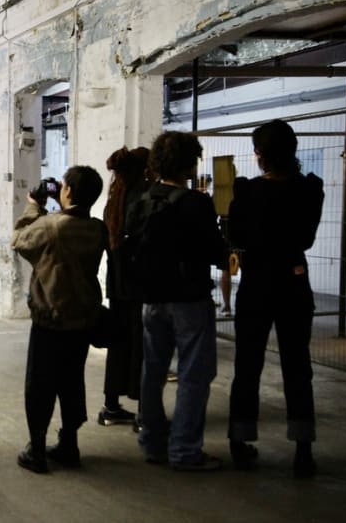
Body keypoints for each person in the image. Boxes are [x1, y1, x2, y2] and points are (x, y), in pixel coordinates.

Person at [227, 120, 324, 478]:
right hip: (293, 283)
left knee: (247, 366)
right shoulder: (310, 189)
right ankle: (303, 450)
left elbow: (235, 237)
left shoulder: (246, 191)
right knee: (298, 367)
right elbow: (306, 239)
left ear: (260, 154)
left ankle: (239, 443)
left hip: (255, 285)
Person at [133, 131, 228, 471]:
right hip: (189, 299)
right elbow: (216, 252)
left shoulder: (143, 199)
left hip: (151, 299)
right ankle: (185, 450)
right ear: (189, 164)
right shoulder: (195, 203)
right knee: (193, 375)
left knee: (152, 372)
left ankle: (152, 442)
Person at [11, 166, 107, 473]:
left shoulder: (50, 225)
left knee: (40, 385)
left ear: (67, 191)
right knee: (71, 381)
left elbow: (19, 240)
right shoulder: (98, 229)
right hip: (82, 320)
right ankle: (69, 444)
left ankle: (37, 450)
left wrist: (33, 207)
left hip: (50, 320)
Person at [99, 147, 151, 427]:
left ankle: (110, 407)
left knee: (118, 344)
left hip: (117, 285)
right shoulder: (146, 198)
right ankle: (144, 413)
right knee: (143, 348)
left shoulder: (113, 200)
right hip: (140, 285)